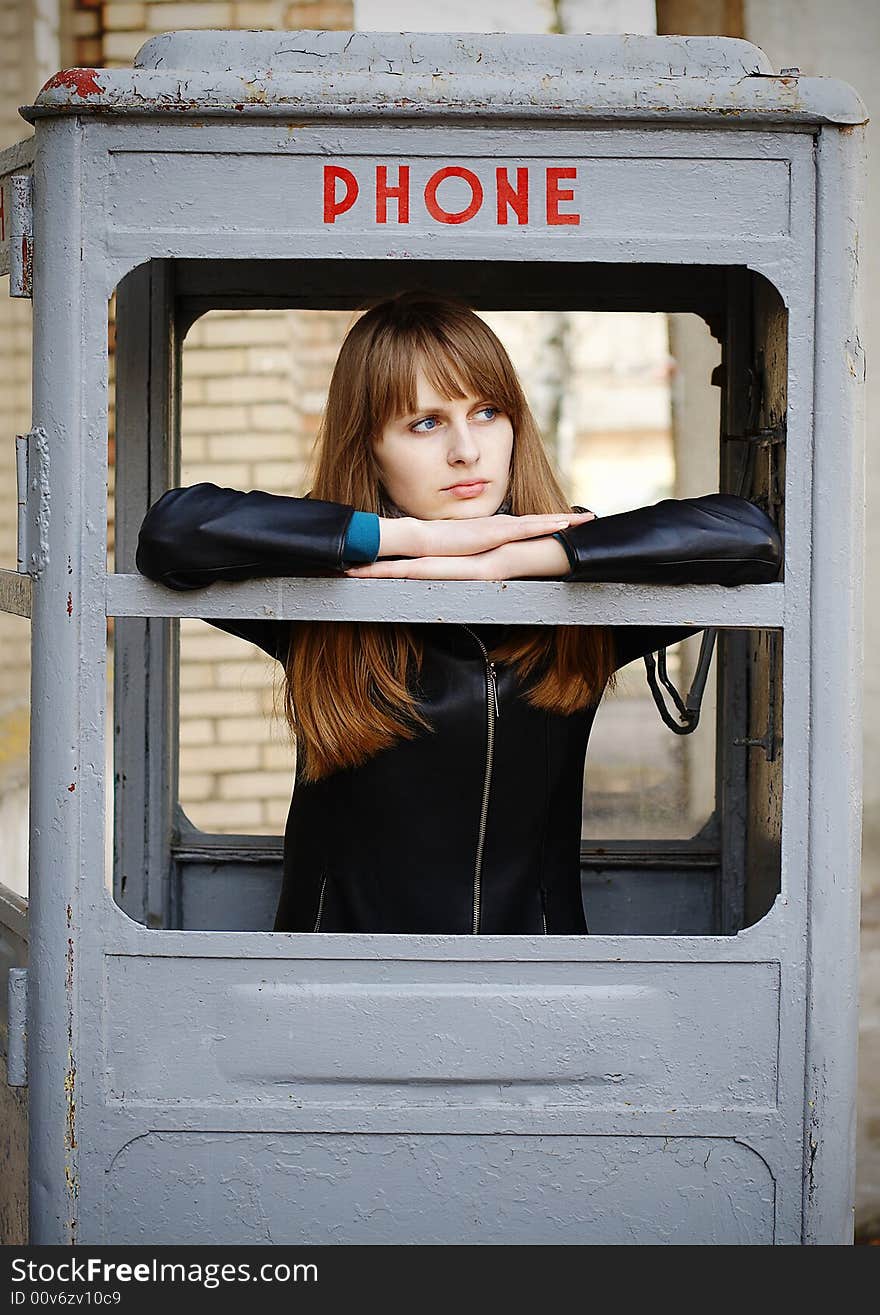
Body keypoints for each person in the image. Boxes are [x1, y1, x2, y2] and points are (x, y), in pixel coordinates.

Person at [135, 291, 782, 936]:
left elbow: (751, 538)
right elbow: (171, 531)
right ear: (370, 445)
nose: (467, 450)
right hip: (333, 976)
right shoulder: (326, 576)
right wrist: (410, 541)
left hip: (535, 977)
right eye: (425, 423)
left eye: (488, 412)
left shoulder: (580, 579)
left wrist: (522, 562)